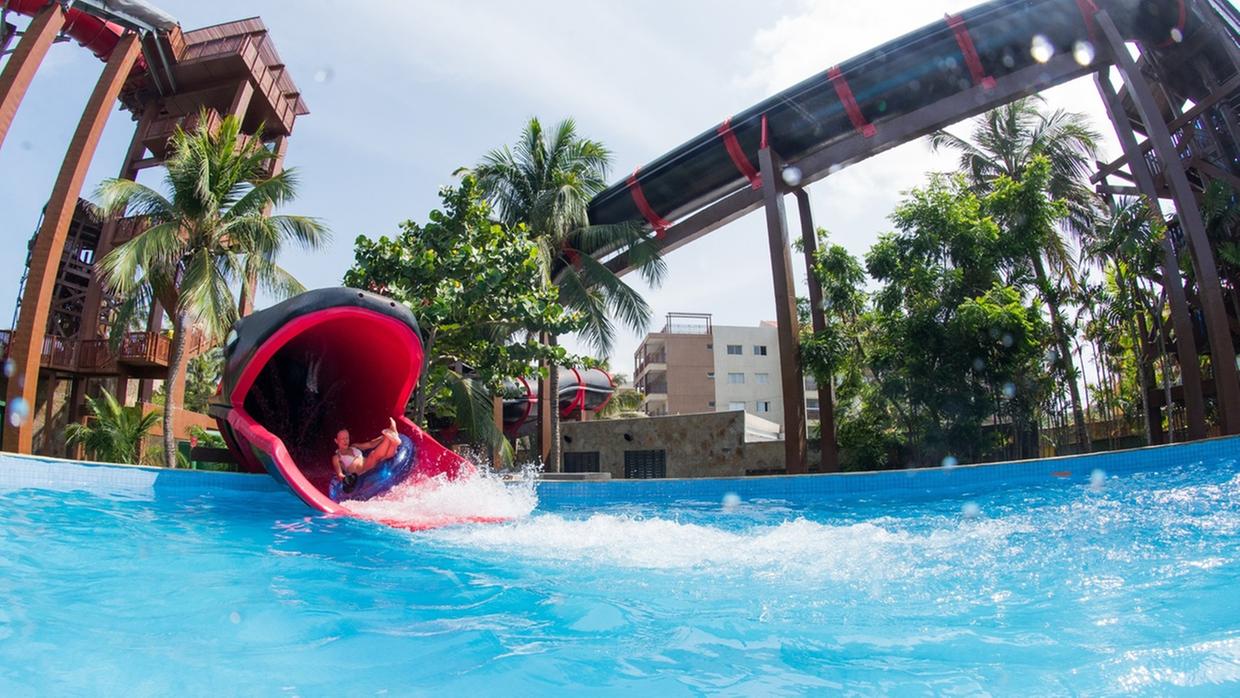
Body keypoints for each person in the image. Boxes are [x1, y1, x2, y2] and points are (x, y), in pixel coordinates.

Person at [332, 418, 401, 487]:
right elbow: (339, 474)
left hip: (371, 463)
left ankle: (393, 441)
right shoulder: (337, 457)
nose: (345, 441)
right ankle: (392, 437)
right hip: (364, 472)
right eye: (342, 439)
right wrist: (345, 478)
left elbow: (371, 444)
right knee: (372, 455)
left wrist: (383, 437)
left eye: (347, 438)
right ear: (336, 441)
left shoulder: (354, 446)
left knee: (386, 456)